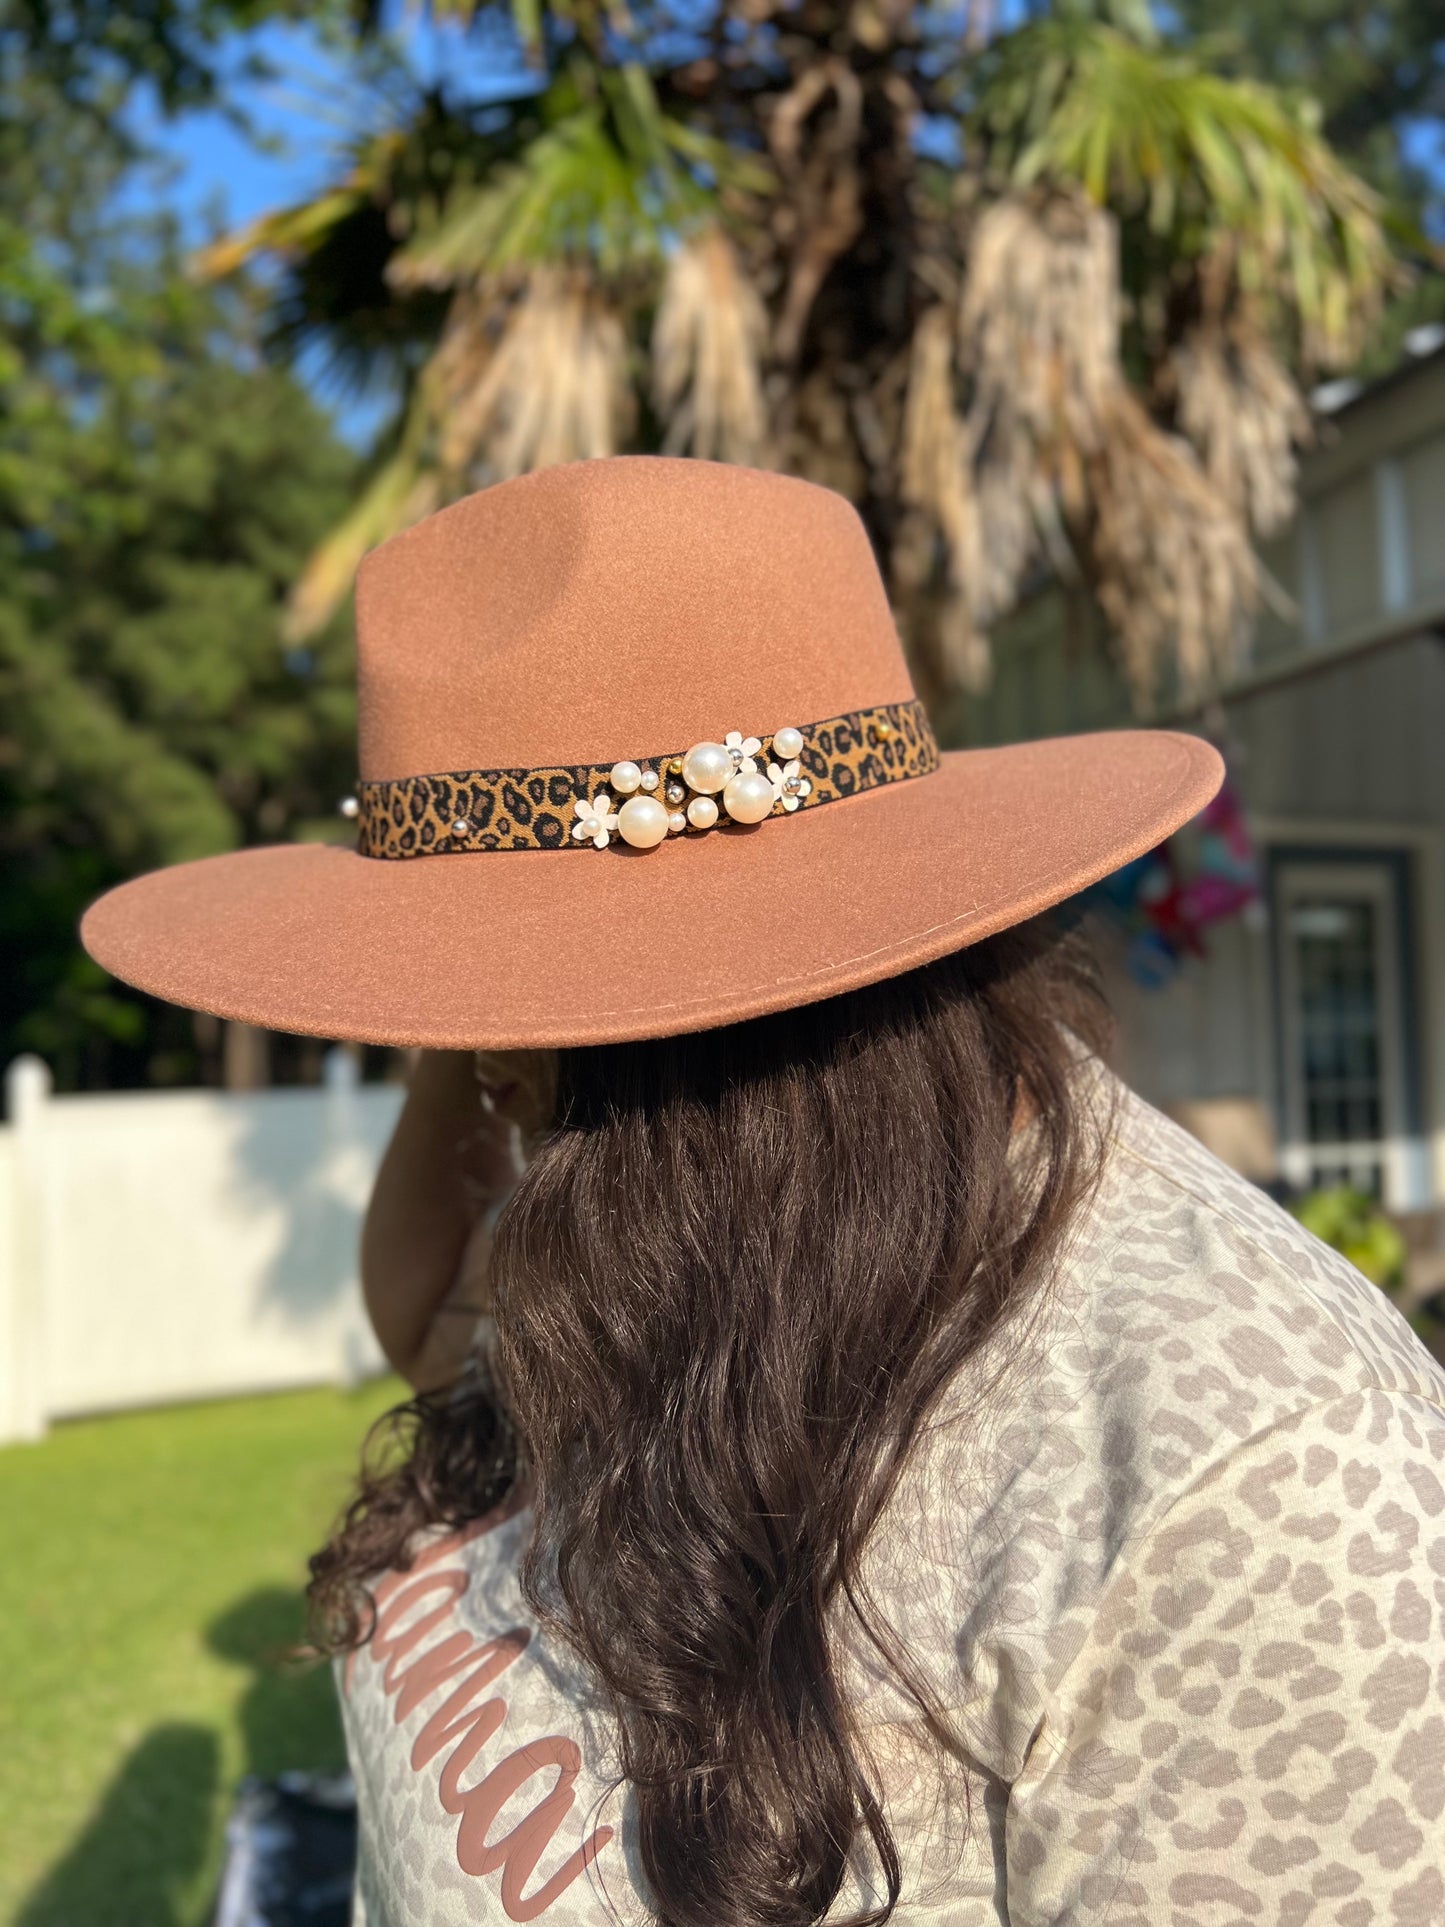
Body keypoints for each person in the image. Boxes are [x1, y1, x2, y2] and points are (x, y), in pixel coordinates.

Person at [81, 458, 1445, 1927]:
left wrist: (511, 941)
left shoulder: (1250, 1473)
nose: (467, 1065)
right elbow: (421, 1317)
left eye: (481, 1014)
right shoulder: (657, 1212)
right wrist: (481, 955)